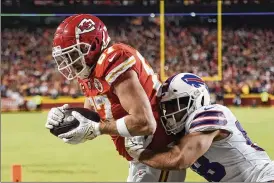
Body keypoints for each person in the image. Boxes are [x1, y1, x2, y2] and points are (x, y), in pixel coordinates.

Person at [45, 14, 186, 182]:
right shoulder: (90, 73)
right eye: (66, 57)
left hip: (158, 150)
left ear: (94, 45)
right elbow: (92, 117)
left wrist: (96, 128)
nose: (70, 62)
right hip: (141, 155)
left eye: (73, 55)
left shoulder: (114, 59)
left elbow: (144, 122)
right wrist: (65, 119)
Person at [126, 73, 274, 182]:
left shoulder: (211, 114)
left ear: (198, 98)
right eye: (167, 107)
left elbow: (179, 159)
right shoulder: (184, 133)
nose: (170, 113)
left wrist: (140, 153)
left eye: (177, 104)